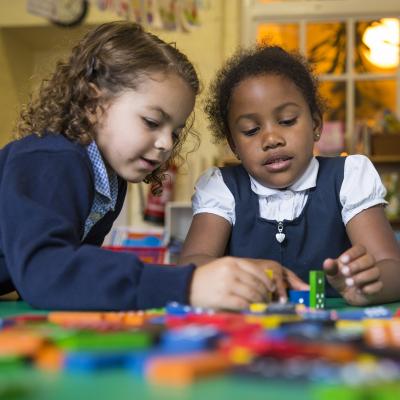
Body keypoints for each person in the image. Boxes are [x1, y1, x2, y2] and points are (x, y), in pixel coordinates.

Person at [0, 22, 284, 311]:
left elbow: (63, 277)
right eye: (151, 122)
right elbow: (45, 272)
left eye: (175, 132)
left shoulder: (109, 179)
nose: (165, 144)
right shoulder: (50, 158)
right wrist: (186, 285)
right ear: (93, 102)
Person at [179, 44, 400, 306]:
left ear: (316, 125)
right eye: (250, 130)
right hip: (247, 337)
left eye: (286, 121)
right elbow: (190, 266)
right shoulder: (222, 187)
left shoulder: (348, 178)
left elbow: (393, 269)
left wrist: (367, 285)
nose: (271, 139)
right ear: (234, 144)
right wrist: (245, 269)